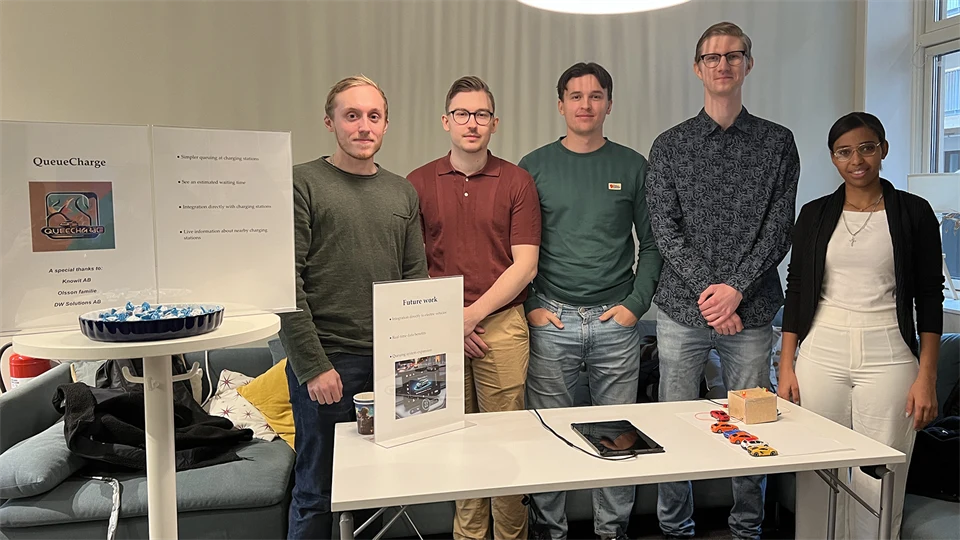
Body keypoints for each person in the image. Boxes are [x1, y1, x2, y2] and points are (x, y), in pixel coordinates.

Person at [645, 22, 800, 540]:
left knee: (753, 423)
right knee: (674, 422)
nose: (723, 65)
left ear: (748, 64)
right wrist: (714, 295)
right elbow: (665, 229)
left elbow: (779, 228)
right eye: (712, 57)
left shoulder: (778, 143)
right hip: (681, 312)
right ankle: (674, 526)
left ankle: (747, 528)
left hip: (751, 312)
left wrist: (735, 290)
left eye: (733, 55)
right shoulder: (670, 145)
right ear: (698, 68)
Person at [778, 112, 943, 540]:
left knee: (879, 476)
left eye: (867, 148)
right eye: (844, 152)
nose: (857, 160)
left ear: (883, 149)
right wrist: (786, 365)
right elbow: (796, 288)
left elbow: (930, 296)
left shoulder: (914, 212)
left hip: (889, 355)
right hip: (821, 354)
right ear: (833, 158)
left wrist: (927, 376)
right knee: (817, 469)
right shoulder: (814, 214)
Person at [278, 75, 428, 540]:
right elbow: (285, 285)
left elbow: (414, 280)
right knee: (317, 490)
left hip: (390, 364)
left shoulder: (402, 192)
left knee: (376, 487)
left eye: (373, 116)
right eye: (352, 115)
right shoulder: (301, 182)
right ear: (330, 122)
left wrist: (414, 359)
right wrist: (313, 366)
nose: (364, 126)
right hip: (329, 364)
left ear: (385, 125)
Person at [520, 61, 663, 540]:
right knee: (549, 431)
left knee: (618, 435)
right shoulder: (533, 167)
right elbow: (514, 246)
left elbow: (653, 244)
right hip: (552, 320)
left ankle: (612, 531)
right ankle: (549, 530)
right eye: (576, 96)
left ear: (609, 104)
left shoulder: (632, 166)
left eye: (596, 96)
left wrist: (635, 305)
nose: (586, 105)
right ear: (560, 105)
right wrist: (531, 306)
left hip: (614, 322)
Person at [407, 75, 541, 540]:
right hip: (436, 327)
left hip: (501, 327)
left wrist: (470, 316)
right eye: (462, 114)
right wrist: (451, 321)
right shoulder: (417, 183)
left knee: (506, 443)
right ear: (446, 121)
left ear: (494, 123)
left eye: (481, 114)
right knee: (455, 441)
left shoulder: (517, 181)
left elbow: (525, 265)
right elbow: (410, 265)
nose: (472, 123)